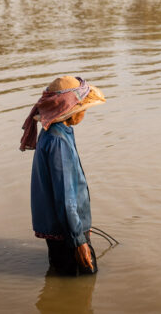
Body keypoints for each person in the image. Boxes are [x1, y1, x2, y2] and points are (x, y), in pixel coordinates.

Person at [21, 75, 106, 275]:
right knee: (80, 279)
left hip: (64, 227)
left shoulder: (56, 131)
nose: (84, 113)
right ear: (69, 111)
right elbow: (66, 199)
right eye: (82, 108)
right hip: (67, 232)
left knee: (62, 279)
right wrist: (79, 240)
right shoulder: (58, 142)